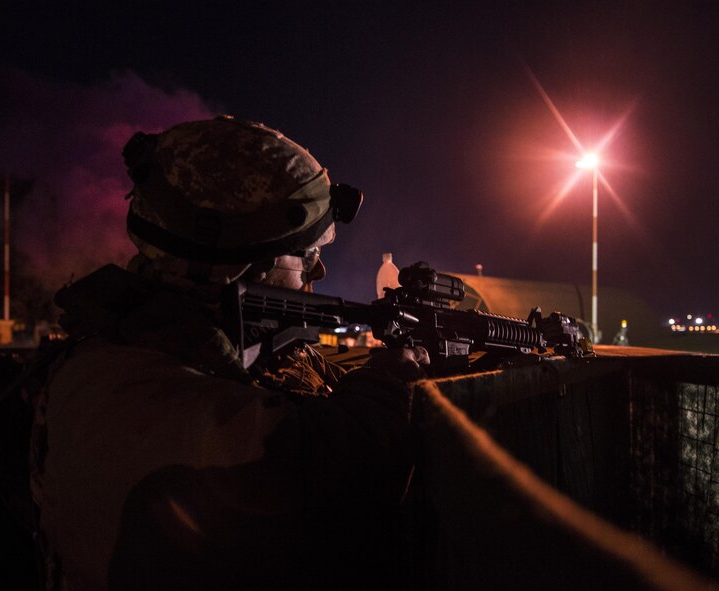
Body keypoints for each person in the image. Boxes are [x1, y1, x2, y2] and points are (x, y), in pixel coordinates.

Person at [29, 115, 428, 590]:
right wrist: (388, 386)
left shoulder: (164, 341)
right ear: (242, 266)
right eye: (304, 254)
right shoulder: (123, 387)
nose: (317, 272)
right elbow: (311, 474)